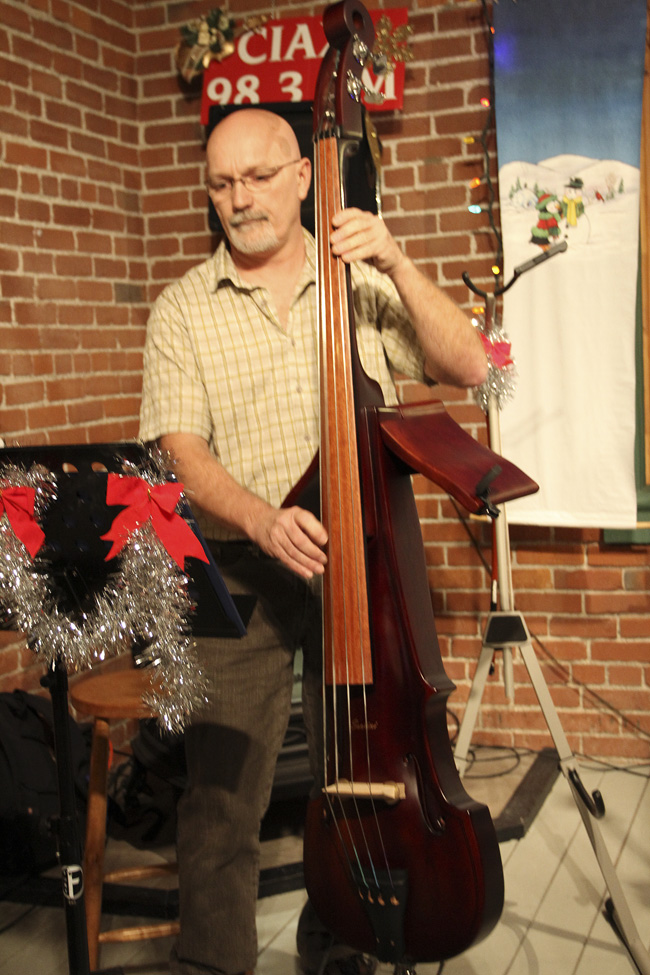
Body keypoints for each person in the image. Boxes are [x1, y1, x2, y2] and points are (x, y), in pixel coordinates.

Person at [139, 107, 487, 975]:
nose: (239, 199)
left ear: (304, 176)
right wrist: (259, 515)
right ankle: (214, 961)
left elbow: (472, 366)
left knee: (357, 776)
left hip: (359, 567)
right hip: (241, 566)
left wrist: (398, 261)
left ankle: (344, 937)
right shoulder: (183, 307)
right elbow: (178, 450)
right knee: (220, 793)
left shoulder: (358, 283)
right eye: (221, 183)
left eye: (257, 177)